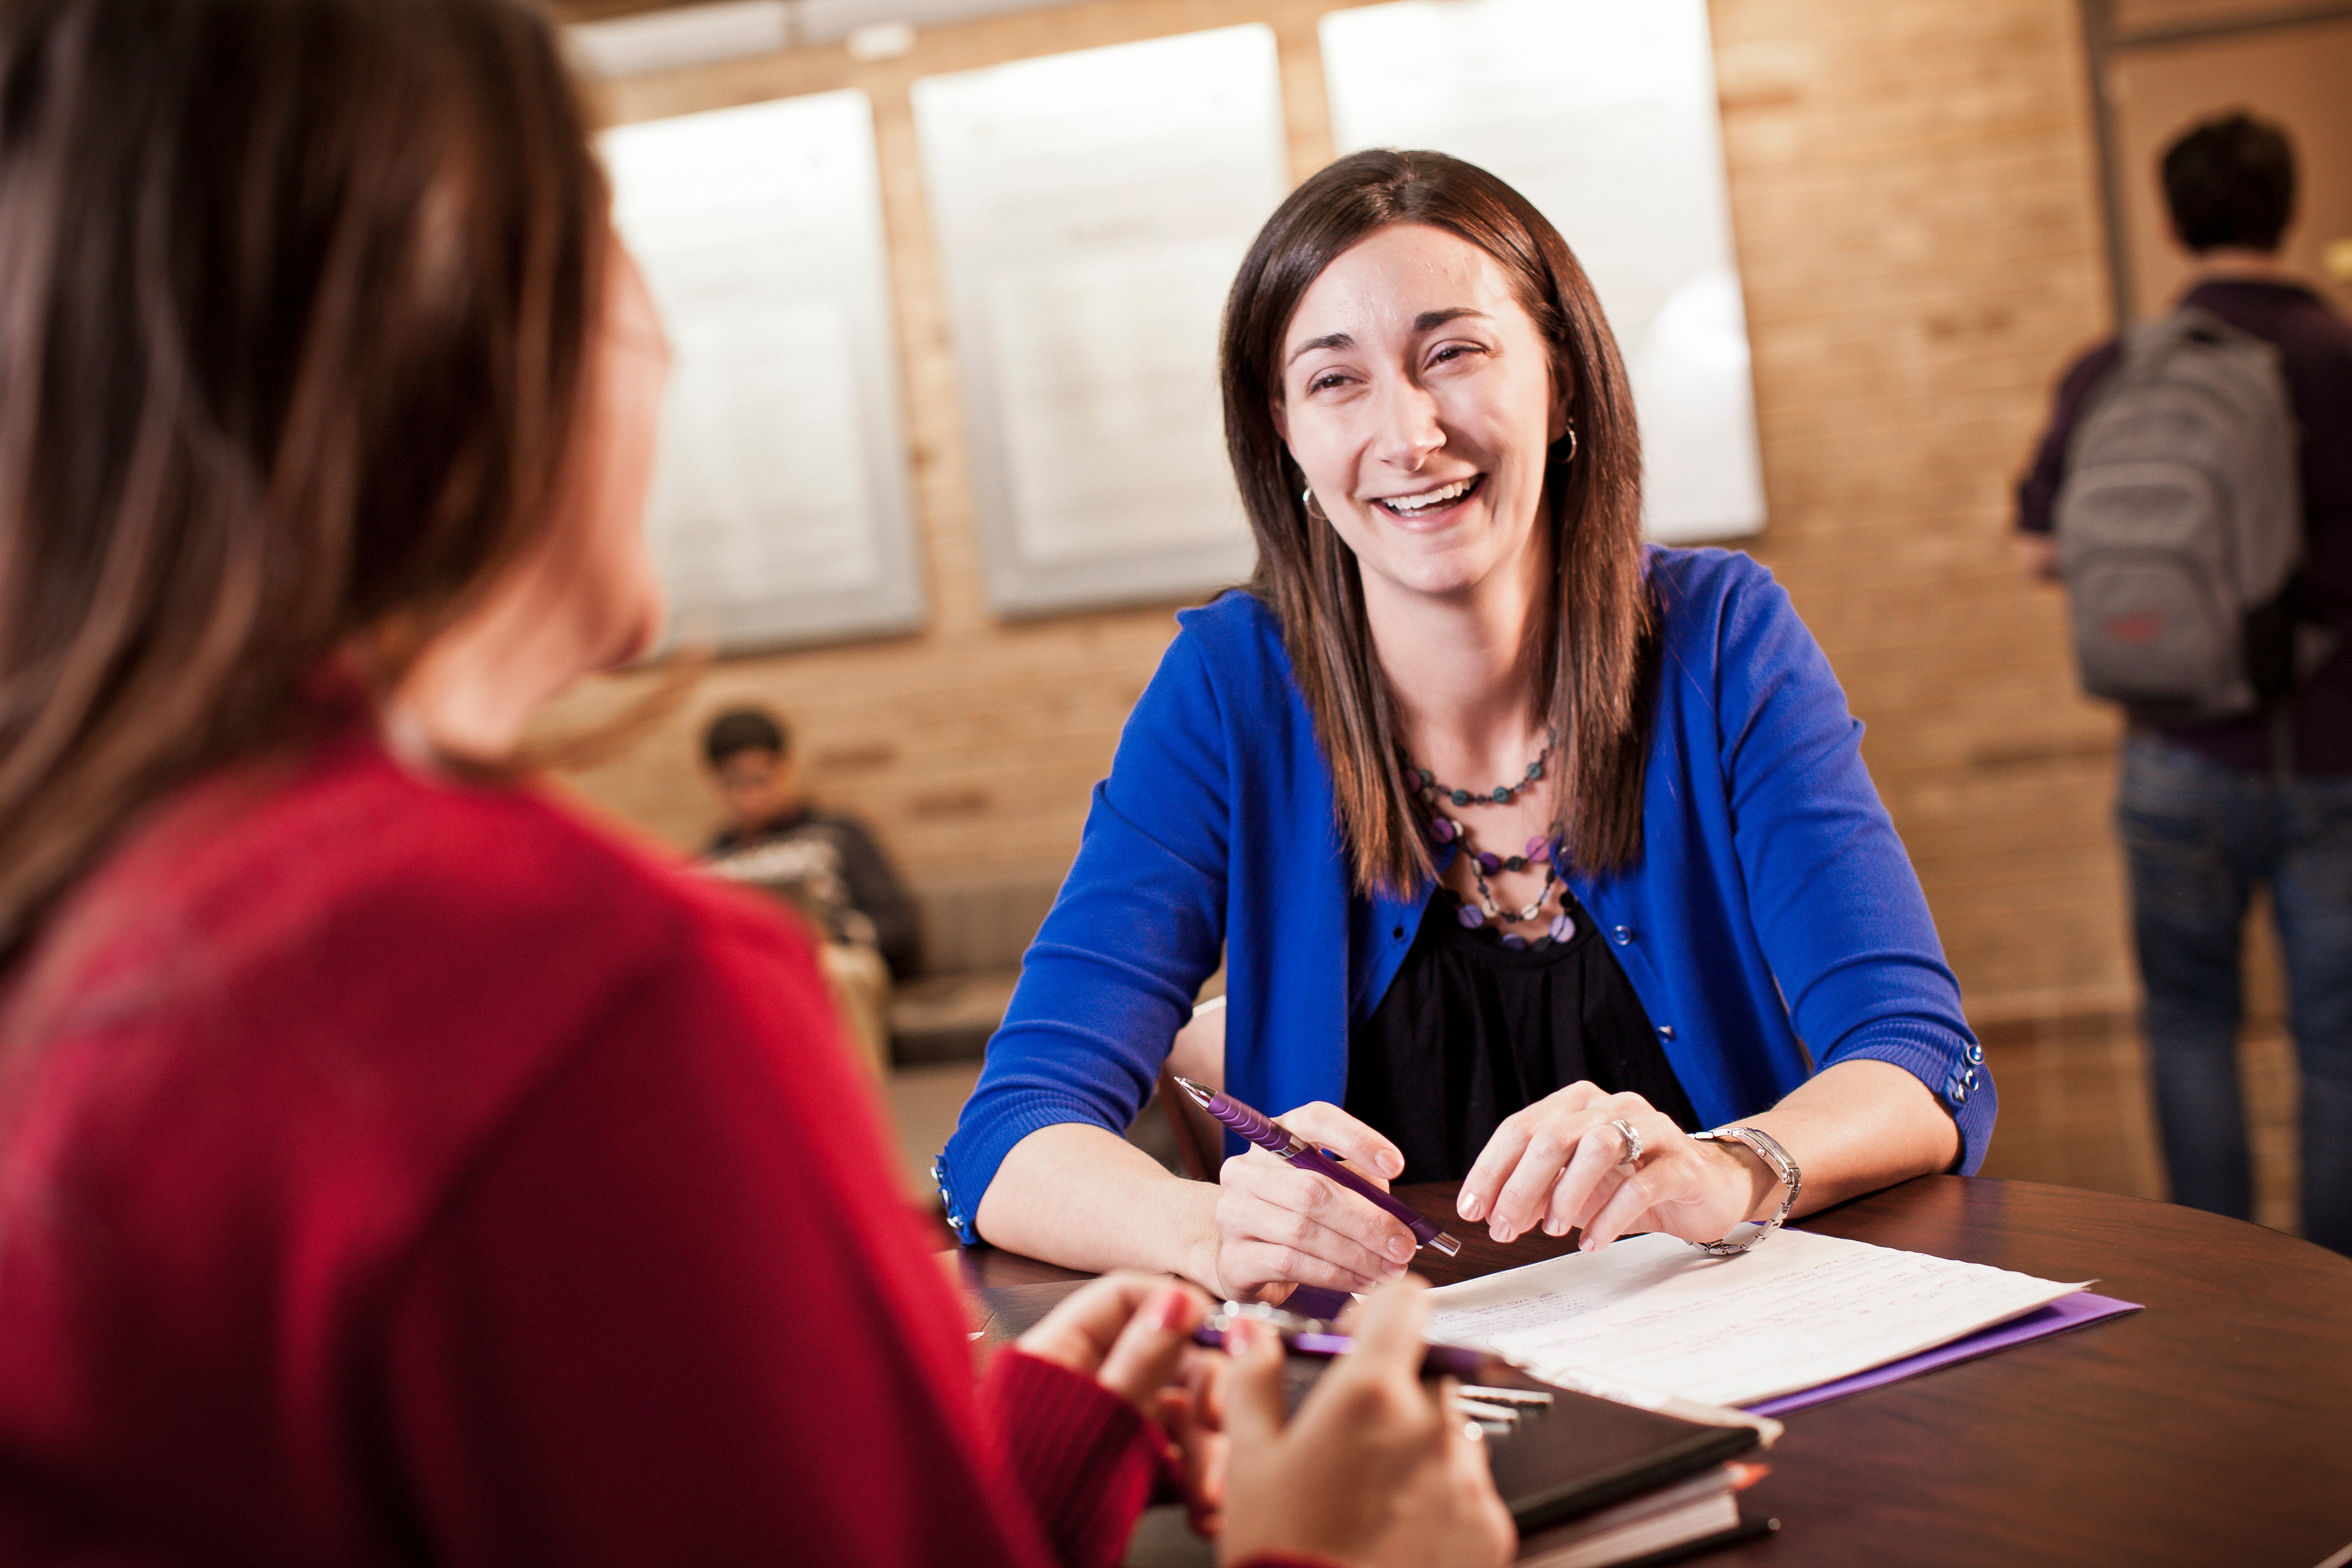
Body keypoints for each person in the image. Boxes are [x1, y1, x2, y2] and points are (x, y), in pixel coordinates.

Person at [0, 4, 1514, 1565]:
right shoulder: (583, 989)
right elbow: (1009, 1122)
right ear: (457, 333)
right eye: (602, 237)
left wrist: (992, 1472)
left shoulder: (108, 904)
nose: (661, 332)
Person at [941, 150, 1992, 1301]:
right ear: (1283, 433)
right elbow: (1007, 1137)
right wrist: (1212, 1228)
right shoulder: (1229, 689)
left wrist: (1735, 1165)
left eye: (1454, 353)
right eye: (1336, 382)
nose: (1410, 433)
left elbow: (1920, 1059)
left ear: (1565, 381)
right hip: (1393, 1414)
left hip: (1748, 1373)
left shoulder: (1722, 639)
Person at [2013, 111, 2352, 1254]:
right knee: (2337, 1040)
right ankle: (2335, 1295)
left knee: (2189, 1026)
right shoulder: (2335, 358)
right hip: (2331, 755)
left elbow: (2038, 547)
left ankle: (2229, 1286)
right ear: (2290, 210)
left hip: (2169, 757)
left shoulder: (2115, 369)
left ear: (2171, 219)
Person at [702, 705, 923, 982]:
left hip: (839, 967)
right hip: (763, 977)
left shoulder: (839, 833)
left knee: (836, 971)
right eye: (733, 784)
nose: (749, 797)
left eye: (759, 780)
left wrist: (831, 936)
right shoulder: (714, 861)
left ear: (784, 769)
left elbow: (899, 927)